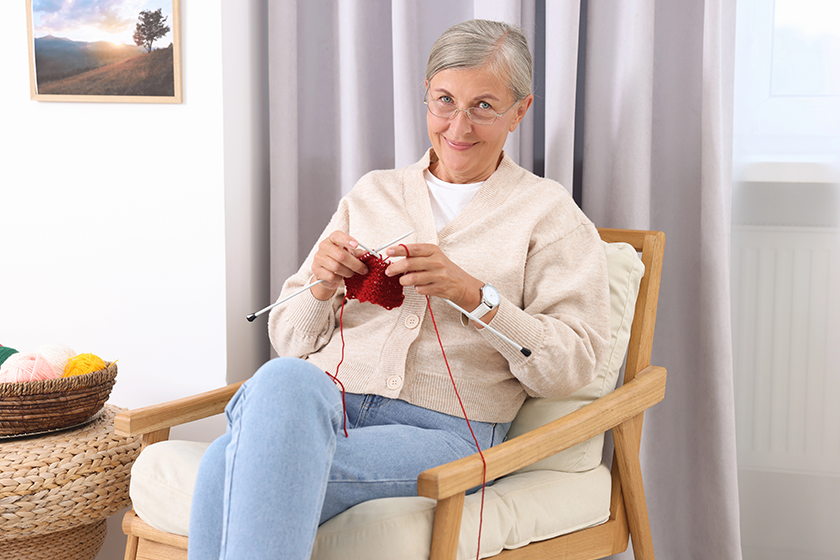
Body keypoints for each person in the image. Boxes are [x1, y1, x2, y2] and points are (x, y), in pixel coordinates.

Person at [188, 19, 611, 560]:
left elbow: (571, 365)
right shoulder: (373, 192)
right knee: (285, 377)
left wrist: (474, 296)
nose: (458, 126)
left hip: (445, 433)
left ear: (519, 111)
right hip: (324, 403)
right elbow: (289, 340)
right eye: (444, 101)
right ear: (426, 97)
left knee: (227, 461)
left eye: (484, 105)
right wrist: (321, 285)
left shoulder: (549, 215)